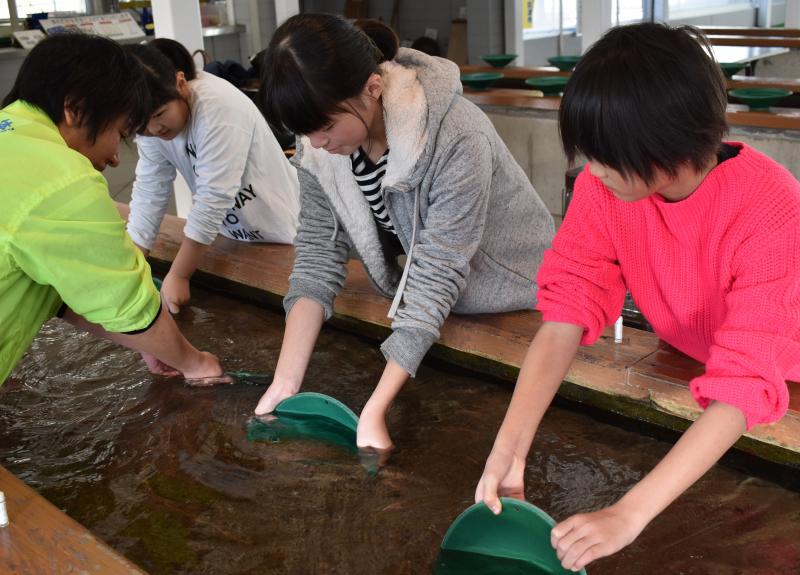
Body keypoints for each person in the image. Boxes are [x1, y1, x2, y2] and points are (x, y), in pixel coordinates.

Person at [475, 23, 800, 571]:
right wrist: (509, 447)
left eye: (604, 157)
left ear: (663, 147)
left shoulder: (773, 211)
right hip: (702, 349)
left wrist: (630, 512)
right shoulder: (607, 189)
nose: (590, 172)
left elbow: (744, 384)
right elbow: (567, 308)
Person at [254, 14, 555, 450]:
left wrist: (375, 410)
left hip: (507, 284)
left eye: (324, 127)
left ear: (372, 88)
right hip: (431, 291)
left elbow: (438, 271)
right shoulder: (322, 147)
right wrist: (284, 383)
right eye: (304, 132)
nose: (316, 144)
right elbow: (318, 258)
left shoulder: (455, 135)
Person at [0, 33, 227, 384]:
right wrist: (195, 363)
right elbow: (126, 300)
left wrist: (152, 343)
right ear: (75, 109)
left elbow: (62, 293)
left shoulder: (11, 134)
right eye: (119, 133)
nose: (116, 157)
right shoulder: (61, 177)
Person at [126, 38, 300, 314]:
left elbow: (213, 197)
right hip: (232, 238)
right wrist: (133, 264)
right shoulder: (149, 126)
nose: (154, 128)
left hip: (284, 232)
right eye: (140, 126)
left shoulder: (217, 106)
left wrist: (180, 275)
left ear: (181, 83)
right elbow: (150, 189)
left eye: (160, 114)